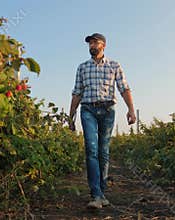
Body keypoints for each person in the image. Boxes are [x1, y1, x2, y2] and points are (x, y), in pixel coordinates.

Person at [69, 33, 136, 209]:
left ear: (103, 45)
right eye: (90, 43)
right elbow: (77, 92)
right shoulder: (82, 67)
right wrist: (71, 116)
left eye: (95, 42)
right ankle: (96, 194)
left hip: (107, 110)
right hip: (88, 110)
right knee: (91, 149)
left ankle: (102, 191)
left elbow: (124, 88)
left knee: (103, 151)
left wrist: (131, 109)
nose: (92, 45)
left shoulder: (114, 65)